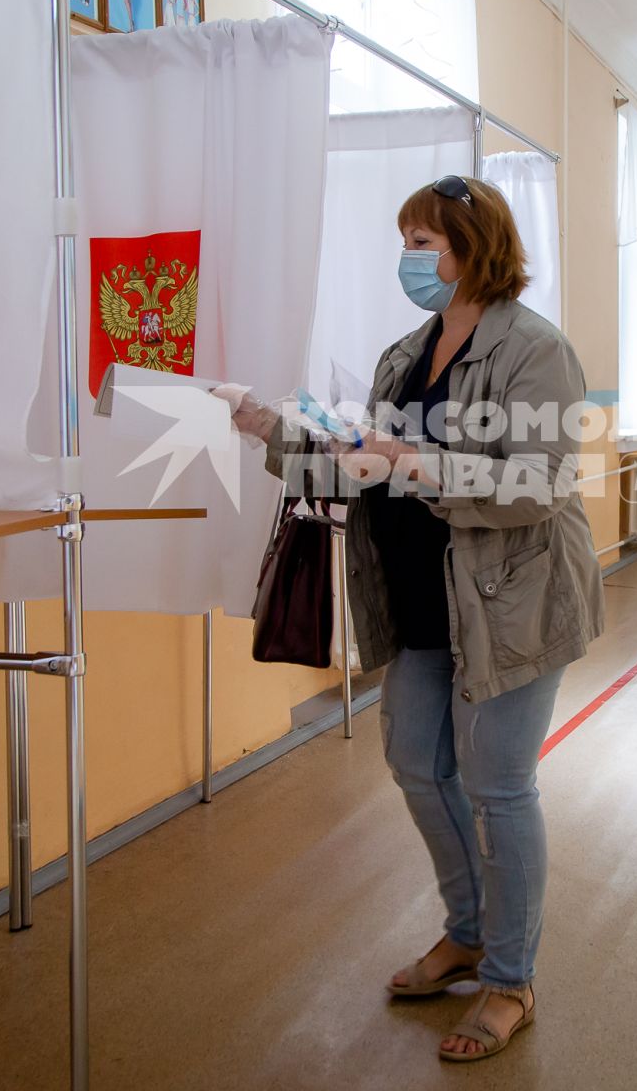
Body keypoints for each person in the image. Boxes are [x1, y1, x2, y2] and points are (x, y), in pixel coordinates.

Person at [227, 174, 602, 1063]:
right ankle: (467, 931)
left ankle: (509, 980)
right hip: (420, 599)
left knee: (498, 787)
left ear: (478, 246)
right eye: (405, 240)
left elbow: (540, 486)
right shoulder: (408, 351)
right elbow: (365, 464)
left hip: (509, 603)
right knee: (413, 763)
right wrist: (271, 432)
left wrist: (419, 461)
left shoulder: (535, 350)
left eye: (424, 241)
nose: (410, 258)